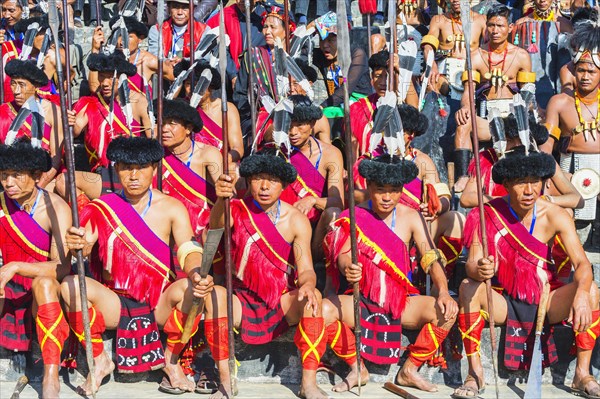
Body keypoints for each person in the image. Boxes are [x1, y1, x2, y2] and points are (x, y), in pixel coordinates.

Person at [62, 136, 215, 395]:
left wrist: (197, 271)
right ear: (117, 170)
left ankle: (172, 360)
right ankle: (99, 360)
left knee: (193, 289)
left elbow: (189, 249)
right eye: (125, 167)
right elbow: (85, 243)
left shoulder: (172, 207)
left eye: (141, 167)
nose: (134, 175)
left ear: (154, 170)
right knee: (69, 286)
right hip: (115, 302)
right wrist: (77, 242)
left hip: (158, 302)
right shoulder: (104, 207)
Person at [454, 147, 600, 399]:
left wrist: (582, 293)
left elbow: (583, 265)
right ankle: (474, 374)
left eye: (535, 183)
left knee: (591, 290)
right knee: (468, 286)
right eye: (522, 183)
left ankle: (582, 374)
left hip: (546, 300)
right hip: (504, 301)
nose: (530, 191)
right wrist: (480, 269)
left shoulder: (555, 214)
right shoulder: (486, 213)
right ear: (507, 184)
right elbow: (472, 263)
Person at [322, 153, 458, 393]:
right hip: (360, 299)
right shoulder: (353, 215)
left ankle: (409, 370)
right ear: (369, 186)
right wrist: (348, 268)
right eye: (380, 189)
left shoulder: (411, 216)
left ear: (401, 190)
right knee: (322, 311)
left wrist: (445, 292)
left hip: (399, 301)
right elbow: (342, 255)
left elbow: (431, 257)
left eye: (394, 190)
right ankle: (357, 368)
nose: (386, 197)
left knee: (447, 312)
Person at [205, 149, 327, 399]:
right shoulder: (235, 208)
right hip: (241, 300)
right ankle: (226, 380)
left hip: (280, 301)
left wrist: (307, 285)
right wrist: (220, 199)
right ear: (248, 181)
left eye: (272, 180)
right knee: (214, 296)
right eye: (258, 178)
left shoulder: (296, 220)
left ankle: (309, 383)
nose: (264, 186)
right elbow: (216, 227)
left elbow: (305, 269)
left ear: (283, 185)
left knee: (313, 300)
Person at [0, 139, 72, 398]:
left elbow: (62, 267)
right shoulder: (1, 204)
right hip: (7, 288)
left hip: (43, 290)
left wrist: (18, 267)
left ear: (36, 176)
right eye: (4, 175)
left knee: (43, 284)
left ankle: (51, 376)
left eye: (16, 176)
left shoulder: (56, 207)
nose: (9, 183)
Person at [453, 5, 534, 192]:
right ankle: (463, 175)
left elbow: (528, 92)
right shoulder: (475, 56)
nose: (495, 31)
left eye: (500, 26)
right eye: (491, 25)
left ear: (511, 27)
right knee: (463, 124)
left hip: (514, 120)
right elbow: (468, 91)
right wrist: (465, 107)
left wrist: (526, 112)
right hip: (488, 119)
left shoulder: (521, 56)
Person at [55, 51, 151, 204]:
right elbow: (76, 129)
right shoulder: (89, 103)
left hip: (132, 171)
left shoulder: (139, 101)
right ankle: (91, 215)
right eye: (101, 76)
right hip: (104, 173)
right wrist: (69, 123)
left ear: (121, 77)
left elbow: (154, 142)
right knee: (61, 182)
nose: (104, 82)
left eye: (109, 77)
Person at [542, 20, 599, 227]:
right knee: (574, 229)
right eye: (581, 71)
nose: (584, 77)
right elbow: (547, 146)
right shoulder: (559, 103)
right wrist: (548, 172)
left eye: (591, 72)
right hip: (569, 171)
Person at [278, 94, 344, 260]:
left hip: (315, 229)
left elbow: (338, 202)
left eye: (300, 126)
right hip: (283, 224)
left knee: (333, 213)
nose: (293, 132)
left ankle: (325, 270)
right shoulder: (276, 151)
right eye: (289, 126)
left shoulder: (331, 154)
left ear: (313, 124)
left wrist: (313, 201)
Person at [158, 98, 222, 239]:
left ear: (188, 128)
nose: (164, 129)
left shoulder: (208, 154)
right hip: (167, 225)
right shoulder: (157, 155)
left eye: (172, 124)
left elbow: (224, 193)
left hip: (203, 229)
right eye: (162, 123)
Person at [0, 59, 64, 189]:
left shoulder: (53, 111)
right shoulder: (3, 112)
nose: (16, 91)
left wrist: (36, 188)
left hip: (45, 178)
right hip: (10, 179)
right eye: (13, 84)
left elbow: (55, 160)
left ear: (35, 86)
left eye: (22, 85)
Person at [311, 11, 372, 141]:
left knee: (324, 115)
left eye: (331, 40)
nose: (325, 45)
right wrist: (311, 27)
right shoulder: (321, 56)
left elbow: (347, 89)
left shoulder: (357, 54)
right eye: (322, 40)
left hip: (359, 104)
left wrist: (321, 106)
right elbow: (300, 48)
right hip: (335, 105)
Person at [174, 59, 244, 163]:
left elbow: (237, 148)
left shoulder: (226, 109)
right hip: (187, 166)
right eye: (188, 84)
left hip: (218, 167)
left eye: (199, 84)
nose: (192, 89)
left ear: (210, 87)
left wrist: (223, 161)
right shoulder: (180, 108)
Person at [88, 17, 175, 96]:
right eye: (118, 36)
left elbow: (176, 78)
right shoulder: (108, 59)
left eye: (129, 37)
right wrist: (95, 50)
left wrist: (169, 101)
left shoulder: (149, 61)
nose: (122, 42)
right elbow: (94, 88)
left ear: (140, 39)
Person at [512, 0, 572, 109]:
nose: (542, 0)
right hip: (529, 92)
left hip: (559, 93)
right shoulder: (521, 24)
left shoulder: (565, 25)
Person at [1, 13, 70, 105]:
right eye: (44, 33)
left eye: (51, 34)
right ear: (30, 32)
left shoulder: (51, 55)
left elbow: (70, 73)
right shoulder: (7, 49)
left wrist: (58, 92)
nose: (49, 38)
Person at [205, 0, 266, 79]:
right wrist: (233, 74)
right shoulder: (225, 15)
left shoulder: (265, 15)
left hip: (260, 74)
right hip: (230, 74)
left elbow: (285, 18)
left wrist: (267, 2)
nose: (240, 1)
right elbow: (218, 47)